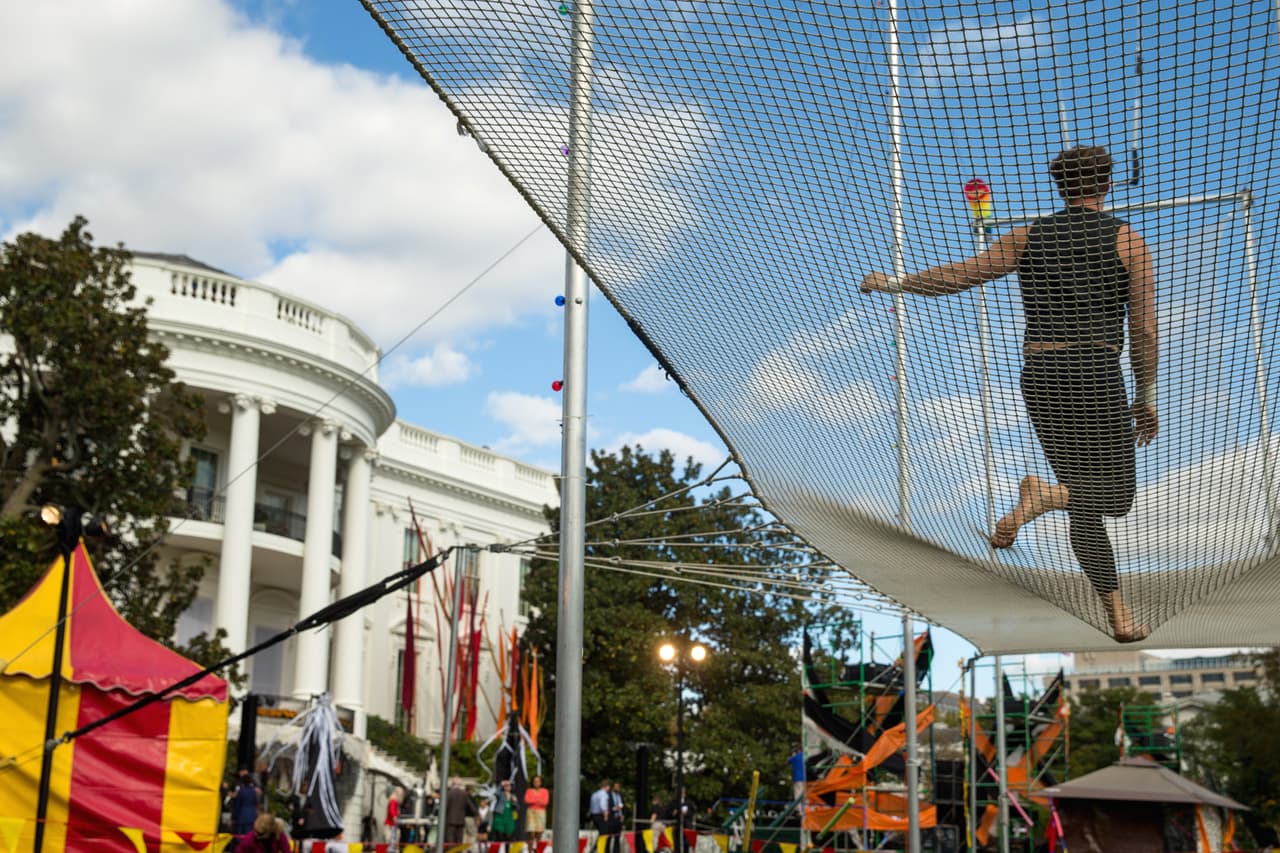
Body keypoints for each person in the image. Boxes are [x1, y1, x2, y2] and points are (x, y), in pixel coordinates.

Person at [860, 145, 1158, 642]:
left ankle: (1118, 617)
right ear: (1106, 185)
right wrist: (1146, 395)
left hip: (1040, 374)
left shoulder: (1027, 235)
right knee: (1114, 498)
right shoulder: (1128, 241)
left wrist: (896, 283)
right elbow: (1145, 328)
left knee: (1085, 508)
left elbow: (963, 275)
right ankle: (1039, 496)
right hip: (1094, 371)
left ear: (1060, 188)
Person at [444, 777, 479, 845]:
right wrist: (477, 815)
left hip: (450, 820)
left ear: (452, 784)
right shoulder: (464, 794)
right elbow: (471, 806)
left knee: (450, 840)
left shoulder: (448, 793)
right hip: (460, 821)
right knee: (459, 841)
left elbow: (445, 807)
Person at [229, 767, 261, 836]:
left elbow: (237, 805)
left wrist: (233, 817)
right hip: (252, 817)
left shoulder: (241, 792)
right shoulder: (253, 792)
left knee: (239, 837)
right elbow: (256, 803)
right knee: (249, 836)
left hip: (241, 817)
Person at [589, 779, 615, 853]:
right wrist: (605, 815)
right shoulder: (604, 794)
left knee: (601, 833)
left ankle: (596, 848)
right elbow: (603, 806)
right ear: (606, 786)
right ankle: (598, 849)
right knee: (604, 834)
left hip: (594, 815)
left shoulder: (594, 794)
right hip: (600, 815)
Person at [524, 774, 550, 843]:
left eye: (538, 781)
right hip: (531, 812)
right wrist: (538, 800)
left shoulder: (545, 791)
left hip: (541, 813)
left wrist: (534, 800)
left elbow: (545, 802)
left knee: (539, 834)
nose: (536, 783)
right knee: (531, 834)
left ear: (541, 782)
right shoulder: (529, 791)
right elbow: (527, 800)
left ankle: (538, 850)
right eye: (535, 781)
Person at [385, 786, 404, 851]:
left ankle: (391, 850)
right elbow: (392, 810)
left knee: (392, 838)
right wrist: (395, 817)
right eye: (401, 794)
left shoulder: (395, 801)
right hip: (391, 823)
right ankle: (390, 851)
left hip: (392, 823)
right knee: (392, 838)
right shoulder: (393, 801)